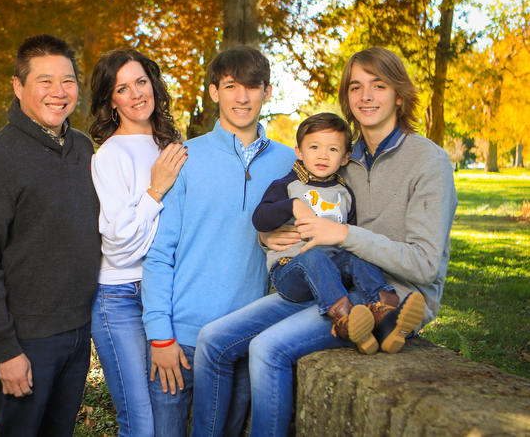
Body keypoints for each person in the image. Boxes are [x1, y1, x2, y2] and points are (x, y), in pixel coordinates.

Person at [192, 47, 458, 437]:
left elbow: (426, 264)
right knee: (212, 340)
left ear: (399, 95)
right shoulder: (342, 161)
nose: (366, 96)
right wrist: (270, 234)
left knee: (268, 350)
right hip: (327, 278)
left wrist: (345, 235)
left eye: (378, 85)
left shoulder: (427, 161)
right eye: (356, 87)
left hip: (391, 293)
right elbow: (299, 207)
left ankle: (383, 323)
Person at [141, 46, 296, 437]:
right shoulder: (184, 157)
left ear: (267, 92)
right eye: (231, 86)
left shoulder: (291, 163)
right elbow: (159, 255)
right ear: (214, 92)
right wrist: (161, 335)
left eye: (252, 87)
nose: (242, 97)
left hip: (243, 339)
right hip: (180, 339)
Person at [0, 34, 101, 437]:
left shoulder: (82, 149)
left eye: (68, 81)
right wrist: (6, 350)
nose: (58, 92)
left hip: (77, 332)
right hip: (27, 337)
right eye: (45, 81)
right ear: (18, 86)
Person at [251, 112, 416, 355]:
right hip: (291, 271)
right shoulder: (287, 186)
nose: (322, 155)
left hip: (331, 273)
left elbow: (349, 236)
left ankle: (384, 314)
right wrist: (293, 205)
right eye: (314, 147)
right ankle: (343, 320)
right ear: (299, 151)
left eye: (332, 149)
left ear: (345, 157)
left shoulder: (344, 192)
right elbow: (260, 219)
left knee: (357, 256)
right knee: (314, 256)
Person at [87, 48, 187, 437]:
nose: (136, 94)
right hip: (120, 298)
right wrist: (156, 189)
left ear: (154, 85)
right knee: (141, 422)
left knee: (170, 406)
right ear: (111, 102)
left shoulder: (173, 145)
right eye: (122, 89)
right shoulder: (109, 156)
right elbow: (119, 245)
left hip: (167, 293)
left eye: (141, 82)